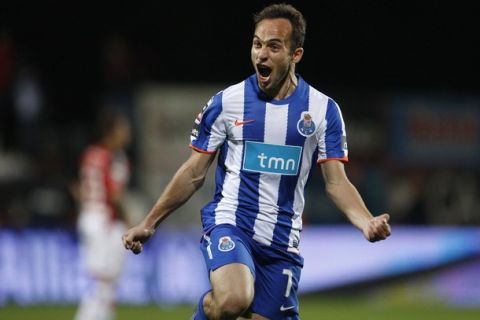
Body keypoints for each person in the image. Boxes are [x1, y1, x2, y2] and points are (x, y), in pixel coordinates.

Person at [122, 3, 391, 320]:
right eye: (257, 43)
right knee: (234, 299)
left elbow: (336, 181)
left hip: (281, 244)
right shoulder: (227, 102)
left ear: (296, 55)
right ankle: (207, 311)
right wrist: (149, 223)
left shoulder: (322, 110)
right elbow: (194, 172)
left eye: (274, 46)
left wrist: (365, 221)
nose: (261, 55)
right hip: (232, 225)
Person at [75, 107, 132, 320]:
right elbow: (114, 193)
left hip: (88, 216)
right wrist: (130, 219)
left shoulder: (90, 153)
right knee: (104, 279)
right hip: (104, 220)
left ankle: (103, 315)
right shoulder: (112, 157)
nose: (127, 132)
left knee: (103, 278)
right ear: (111, 131)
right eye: (122, 128)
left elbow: (79, 187)